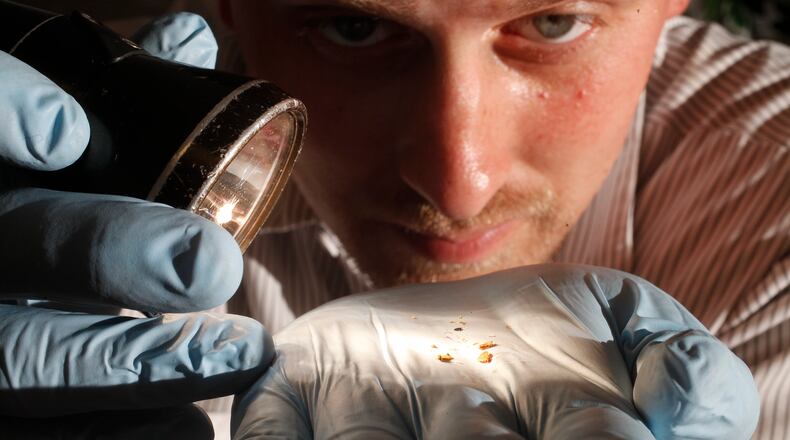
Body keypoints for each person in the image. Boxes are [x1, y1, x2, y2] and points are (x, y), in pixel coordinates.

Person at [0, 0, 786, 438]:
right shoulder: (93, 160)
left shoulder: (774, 188)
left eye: (552, 23)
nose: (459, 186)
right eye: (355, 27)